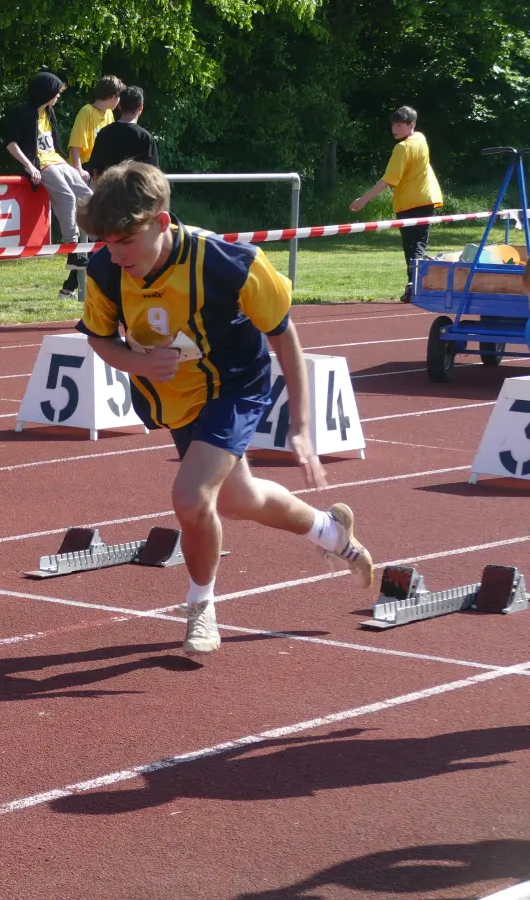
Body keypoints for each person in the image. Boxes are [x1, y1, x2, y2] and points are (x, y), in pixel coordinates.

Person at [74, 162, 375, 655]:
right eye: (107, 240)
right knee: (238, 500)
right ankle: (332, 532)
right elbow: (101, 341)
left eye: (126, 239)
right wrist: (138, 364)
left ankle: (200, 607)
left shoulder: (229, 263)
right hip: (176, 396)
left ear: (162, 222)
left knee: (191, 497)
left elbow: (285, 337)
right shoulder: (107, 270)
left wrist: (301, 426)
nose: (115, 251)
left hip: (235, 386)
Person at [4, 71, 91, 302]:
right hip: (40, 163)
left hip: (56, 160)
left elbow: (52, 144)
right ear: (46, 93)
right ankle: (72, 248)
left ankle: (94, 240)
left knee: (88, 195)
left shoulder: (49, 112)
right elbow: (11, 144)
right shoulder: (25, 113)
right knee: (67, 197)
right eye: (56, 93)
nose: (58, 98)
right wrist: (29, 166)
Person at [350, 106, 443, 303]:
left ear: (412, 125)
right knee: (417, 245)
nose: (395, 129)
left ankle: (414, 286)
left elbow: (388, 180)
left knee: (413, 246)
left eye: (400, 125)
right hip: (426, 199)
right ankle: (416, 284)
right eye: (393, 125)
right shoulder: (421, 138)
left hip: (410, 203)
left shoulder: (403, 147)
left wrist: (363, 200)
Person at [85, 86, 158, 179]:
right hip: (135, 192)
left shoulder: (104, 133)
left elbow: (95, 170)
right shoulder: (145, 138)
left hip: (108, 190)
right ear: (141, 106)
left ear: (119, 106)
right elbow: (153, 175)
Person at [67, 75, 124, 180]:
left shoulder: (109, 113)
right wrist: (78, 169)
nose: (119, 101)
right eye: (119, 97)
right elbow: (76, 144)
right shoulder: (86, 111)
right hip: (86, 165)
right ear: (111, 96)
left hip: (101, 165)